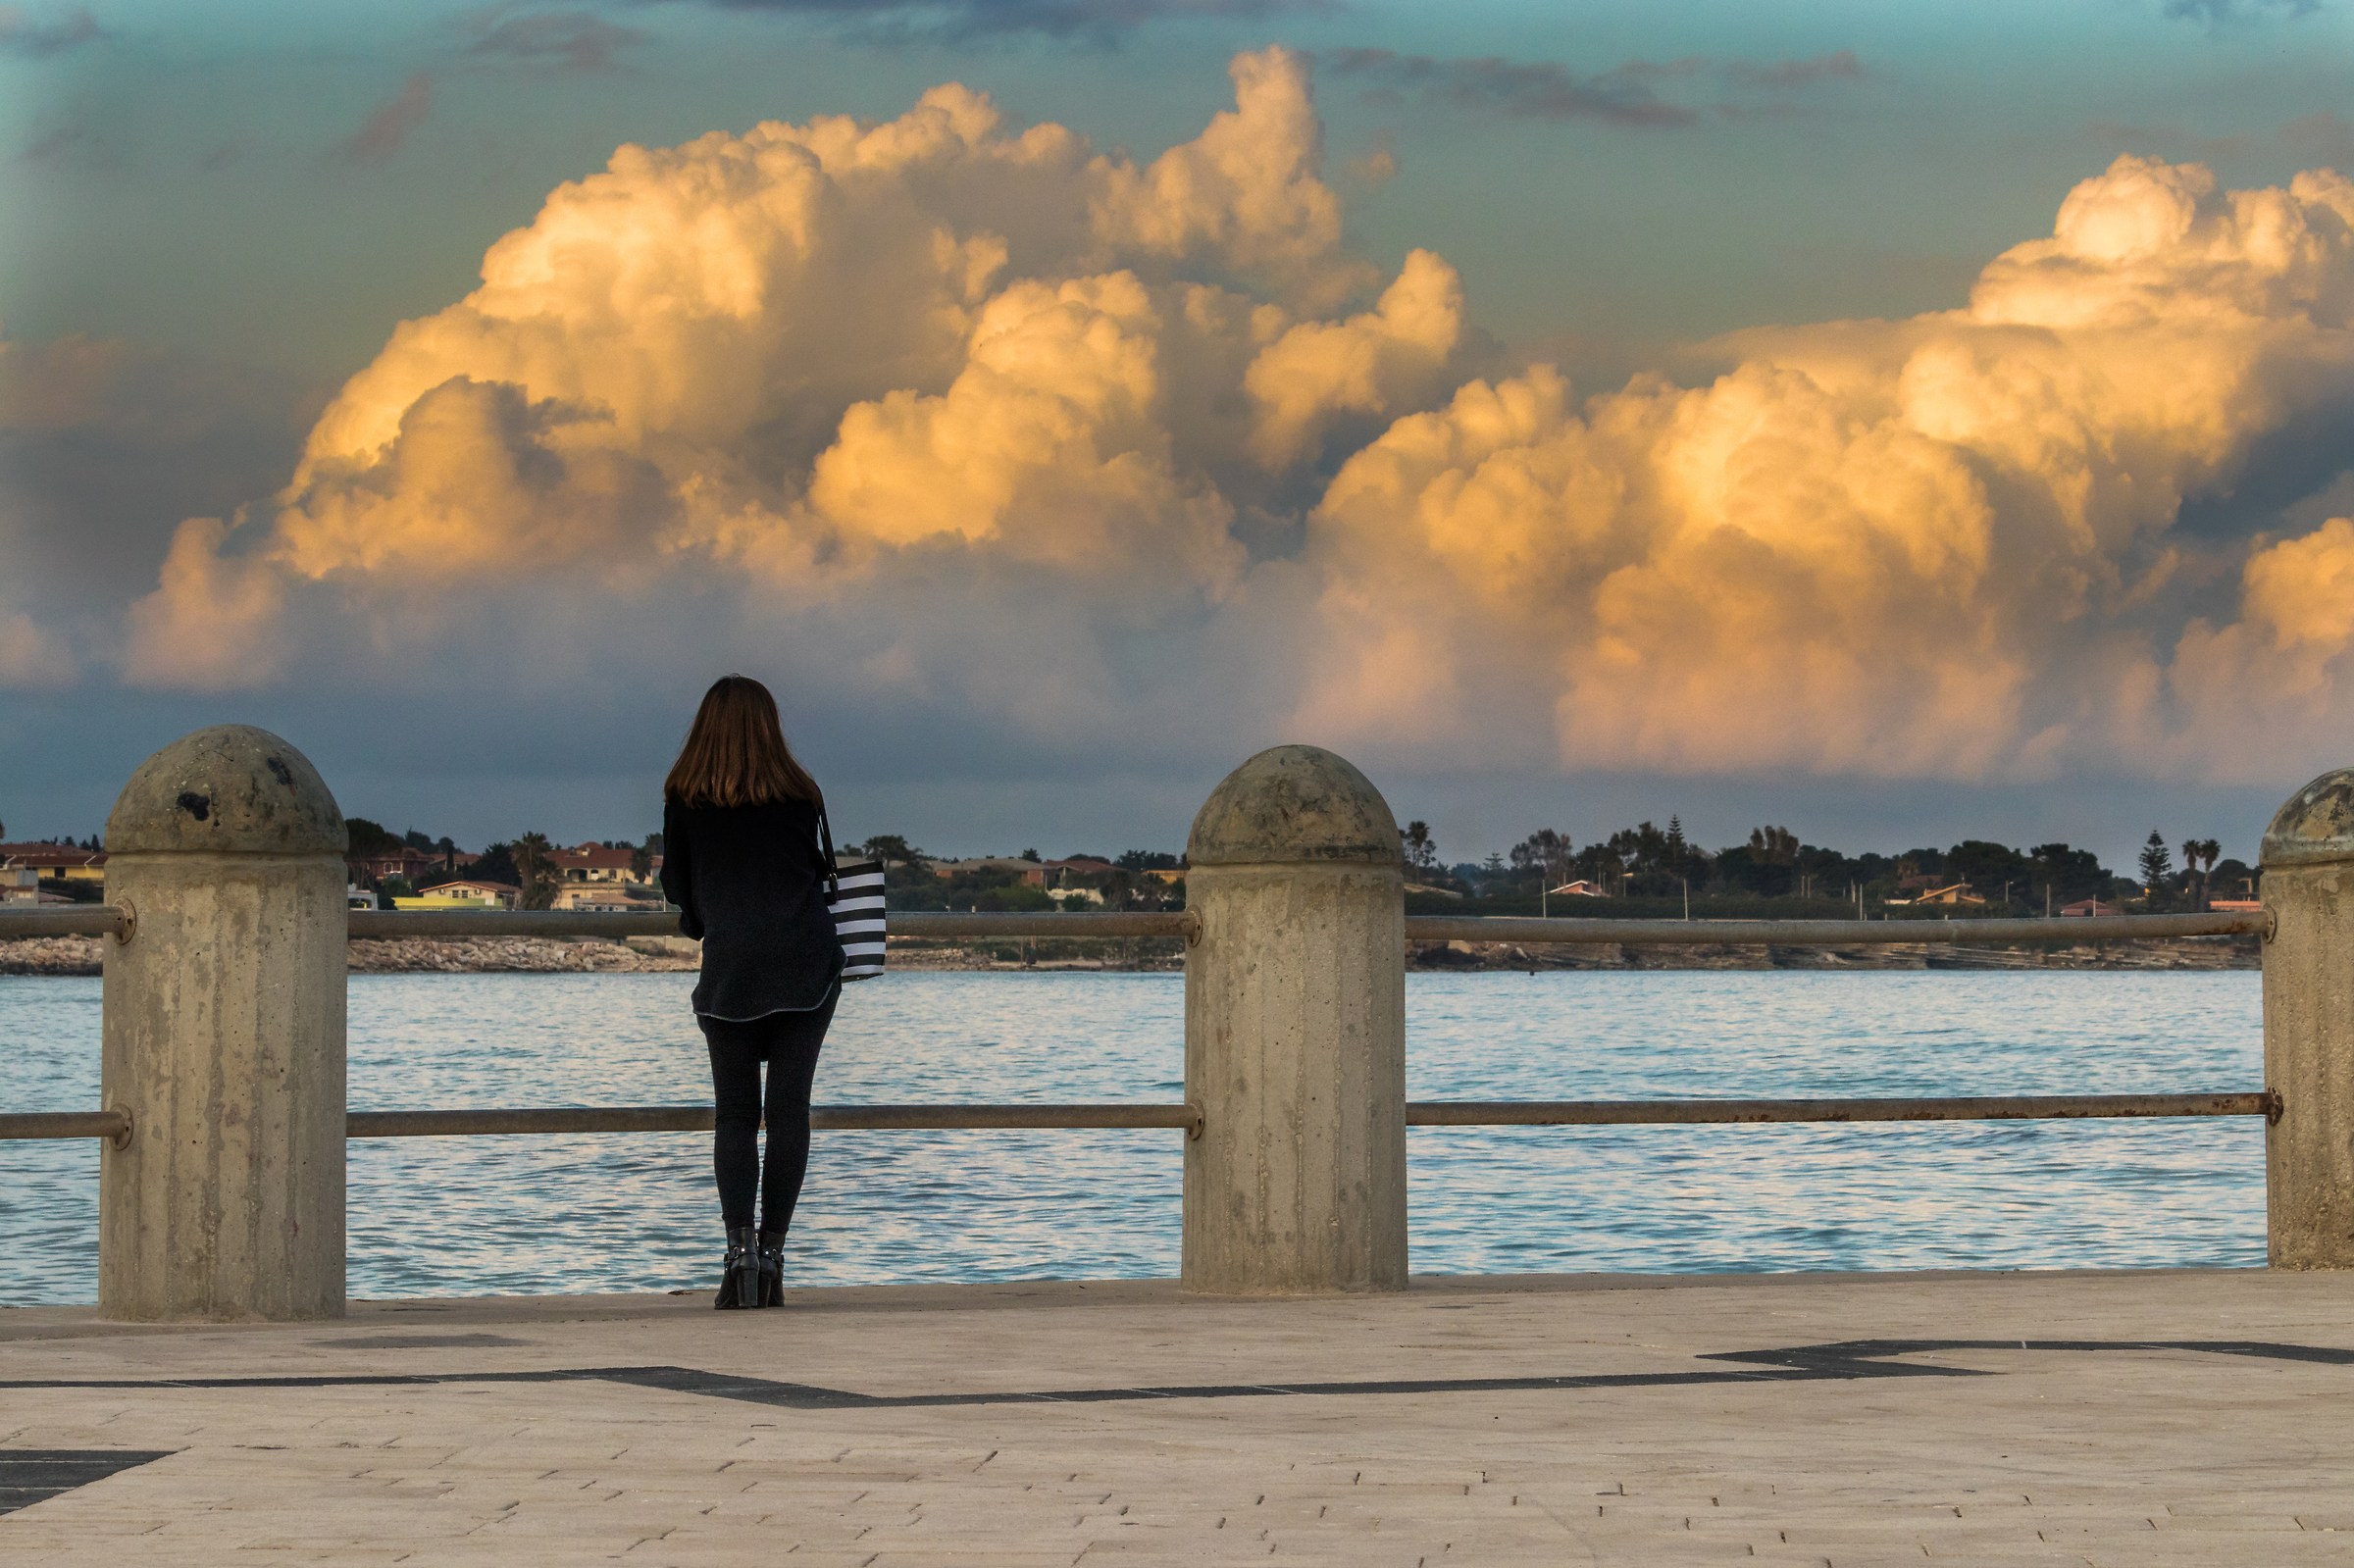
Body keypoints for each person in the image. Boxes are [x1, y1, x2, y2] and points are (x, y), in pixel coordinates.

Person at [660, 675, 844, 1309]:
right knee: (789, 1110)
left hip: (732, 967)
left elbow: (679, 889)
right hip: (805, 963)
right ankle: (771, 1257)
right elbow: (819, 874)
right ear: (771, 725)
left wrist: (712, 921)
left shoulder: (685, 798)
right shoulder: (801, 794)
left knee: (736, 1114)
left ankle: (737, 1258)